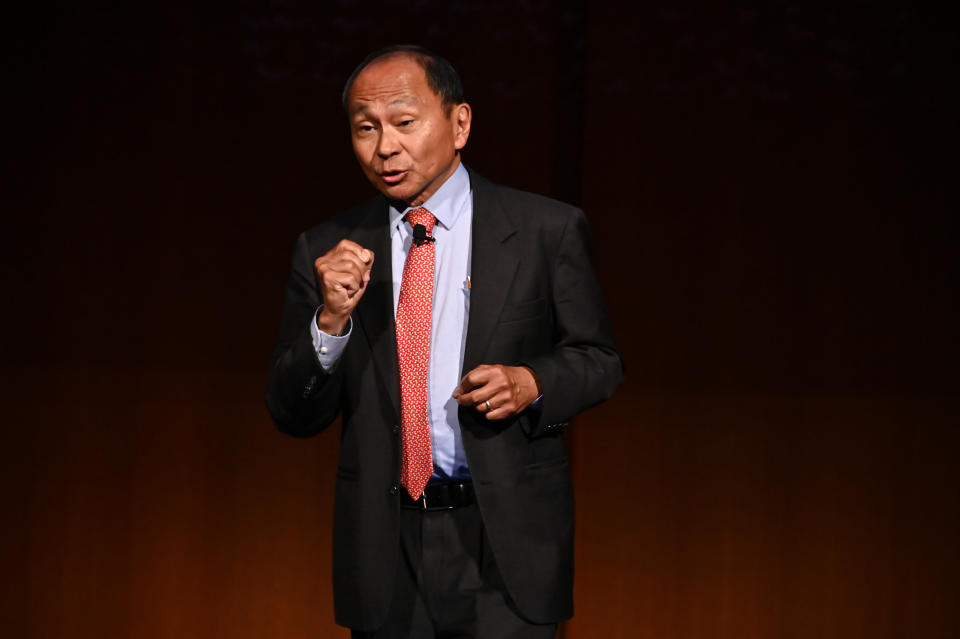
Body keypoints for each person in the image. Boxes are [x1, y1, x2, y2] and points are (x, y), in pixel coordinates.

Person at [266, 45, 623, 638]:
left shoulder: (544, 230)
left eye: (404, 123)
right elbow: (293, 413)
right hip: (385, 545)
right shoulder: (328, 249)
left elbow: (600, 360)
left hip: (502, 538)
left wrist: (532, 382)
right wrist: (329, 324)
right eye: (365, 129)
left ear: (460, 124)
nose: (385, 147)